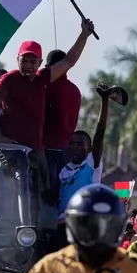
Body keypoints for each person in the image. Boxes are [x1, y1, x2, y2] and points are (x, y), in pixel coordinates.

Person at [0, 19, 94, 150]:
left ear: (40, 63)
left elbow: (69, 61)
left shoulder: (42, 78)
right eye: (24, 61)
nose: (28, 65)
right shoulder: (8, 80)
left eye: (33, 61)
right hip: (13, 149)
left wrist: (84, 35)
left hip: (36, 150)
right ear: (17, 60)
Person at [45, 83, 110, 251]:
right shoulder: (63, 171)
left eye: (80, 144)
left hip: (84, 224)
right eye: (72, 144)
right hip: (62, 227)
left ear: (88, 149)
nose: (75, 147)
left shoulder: (91, 165)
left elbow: (100, 131)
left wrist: (105, 100)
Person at [42, 50, 81, 187]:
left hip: (47, 151)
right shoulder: (75, 90)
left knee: (45, 194)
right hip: (67, 152)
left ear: (48, 68)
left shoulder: (45, 87)